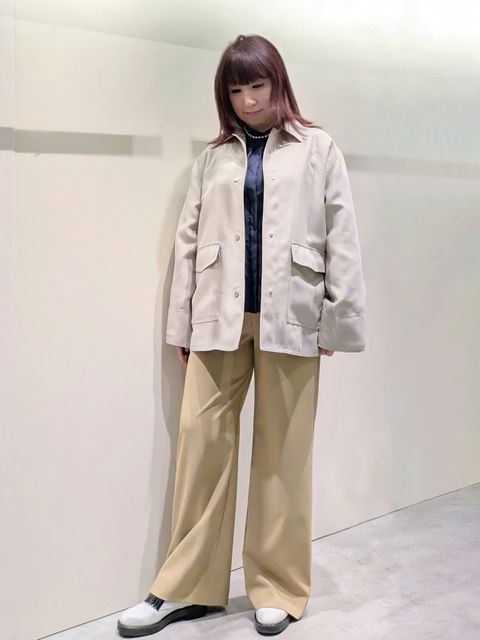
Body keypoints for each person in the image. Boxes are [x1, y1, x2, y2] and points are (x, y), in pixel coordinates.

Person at [117, 33, 366, 638]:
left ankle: (277, 585)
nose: (249, 100)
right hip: (218, 318)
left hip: (292, 316)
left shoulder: (318, 149)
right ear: (224, 96)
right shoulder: (213, 159)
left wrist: (337, 319)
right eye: (236, 89)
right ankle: (186, 587)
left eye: (258, 85)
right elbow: (188, 241)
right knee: (201, 445)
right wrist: (182, 323)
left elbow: (342, 235)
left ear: (278, 83)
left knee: (284, 455)